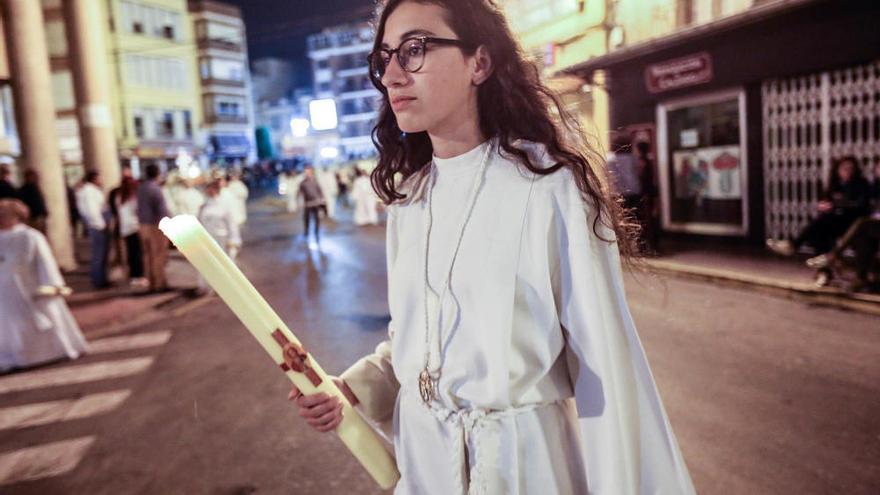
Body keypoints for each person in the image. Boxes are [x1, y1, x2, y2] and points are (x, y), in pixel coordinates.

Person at [287, 1, 695, 494]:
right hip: (428, 472)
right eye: (384, 57)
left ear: (479, 62)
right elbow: (418, 349)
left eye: (414, 50)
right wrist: (350, 389)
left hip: (523, 471)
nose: (391, 75)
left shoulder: (549, 187)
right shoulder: (410, 200)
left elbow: (605, 369)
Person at [0, 199, 88, 372]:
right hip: (5, 288)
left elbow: (44, 261)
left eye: (4, 215)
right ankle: (17, 356)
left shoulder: (30, 235)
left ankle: (51, 351)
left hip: (31, 286)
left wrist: (52, 284)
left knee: (44, 317)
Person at [768, 156, 871, 256]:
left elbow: (860, 205)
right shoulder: (835, 184)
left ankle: (794, 245)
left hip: (852, 222)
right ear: (838, 170)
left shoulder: (861, 184)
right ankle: (822, 267)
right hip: (834, 221)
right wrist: (824, 205)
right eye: (844, 168)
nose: (848, 172)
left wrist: (835, 206)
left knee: (822, 223)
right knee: (821, 231)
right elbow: (827, 200)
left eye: (851, 169)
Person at [806, 159, 880, 289]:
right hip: (869, 225)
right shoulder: (875, 186)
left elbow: (861, 206)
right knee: (824, 226)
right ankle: (855, 277)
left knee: (861, 224)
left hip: (864, 223)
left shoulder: (861, 185)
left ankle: (832, 256)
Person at [196, 180, 241, 294]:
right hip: (207, 240)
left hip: (222, 239)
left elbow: (232, 224)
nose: (208, 191)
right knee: (208, 264)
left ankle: (226, 287)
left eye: (211, 188)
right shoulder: (203, 206)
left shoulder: (224, 204)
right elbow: (199, 223)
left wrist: (234, 240)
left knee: (223, 264)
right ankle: (207, 286)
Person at [137, 164, 171, 292]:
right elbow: (161, 210)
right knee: (159, 254)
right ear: (158, 173)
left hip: (143, 225)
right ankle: (159, 283)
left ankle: (150, 282)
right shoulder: (156, 189)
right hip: (155, 225)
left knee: (147, 255)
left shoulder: (141, 187)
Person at [76, 171, 110, 288]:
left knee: (101, 254)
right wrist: (100, 224)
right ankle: (98, 280)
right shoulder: (89, 192)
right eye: (99, 178)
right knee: (98, 254)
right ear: (94, 179)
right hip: (97, 226)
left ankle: (102, 278)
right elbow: (92, 210)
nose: (101, 181)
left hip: (97, 224)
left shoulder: (90, 191)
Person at [114, 176, 146, 286]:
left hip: (125, 229)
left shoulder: (119, 197)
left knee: (131, 254)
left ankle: (133, 276)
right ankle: (139, 276)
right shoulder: (132, 197)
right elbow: (137, 212)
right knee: (137, 253)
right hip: (134, 227)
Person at [298, 166, 326, 242]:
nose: (307, 174)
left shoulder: (316, 181)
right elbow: (300, 194)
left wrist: (322, 200)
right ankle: (306, 232)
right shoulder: (302, 183)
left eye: (309, 172)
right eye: (306, 172)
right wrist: (300, 202)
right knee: (306, 219)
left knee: (317, 219)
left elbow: (320, 191)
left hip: (316, 203)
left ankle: (316, 232)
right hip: (307, 204)